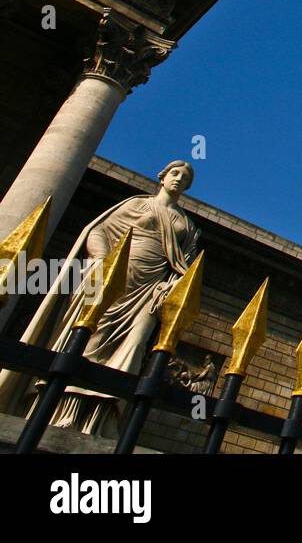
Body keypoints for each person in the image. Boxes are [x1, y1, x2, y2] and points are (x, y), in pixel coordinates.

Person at [0, 160, 199, 435]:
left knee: (136, 344)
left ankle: (100, 420)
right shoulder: (135, 204)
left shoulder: (187, 225)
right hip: (111, 278)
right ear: (163, 177)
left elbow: (185, 266)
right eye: (175, 173)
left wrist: (172, 286)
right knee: (87, 339)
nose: (179, 179)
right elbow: (99, 231)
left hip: (150, 290)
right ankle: (57, 411)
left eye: (185, 178)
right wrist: (101, 262)